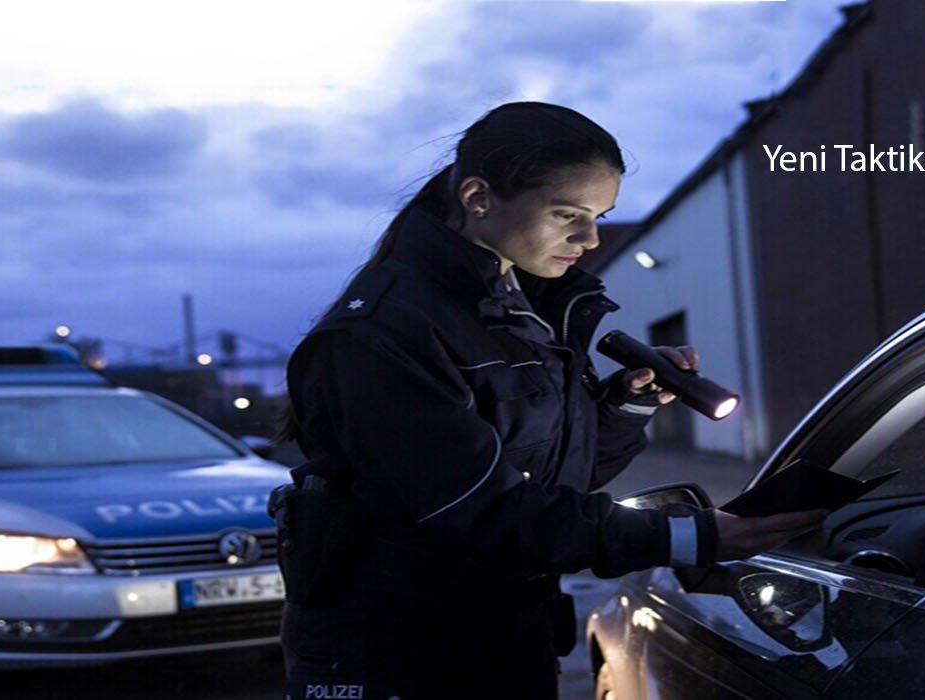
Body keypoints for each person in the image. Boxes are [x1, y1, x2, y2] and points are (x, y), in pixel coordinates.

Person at [271, 102, 825, 700]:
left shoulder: (521, 313)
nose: (590, 239)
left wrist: (628, 405)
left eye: (599, 217)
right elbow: (485, 512)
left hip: (503, 638)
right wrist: (687, 536)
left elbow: (558, 482)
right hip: (393, 658)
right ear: (478, 197)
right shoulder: (381, 334)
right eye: (568, 215)